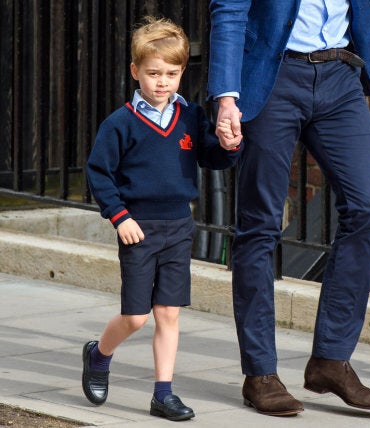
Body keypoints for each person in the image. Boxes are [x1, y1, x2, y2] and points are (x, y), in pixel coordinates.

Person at [208, 0, 370, 416]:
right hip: (272, 77)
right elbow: (230, 11)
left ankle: (331, 359)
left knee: (368, 208)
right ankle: (260, 374)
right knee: (260, 226)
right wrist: (226, 96)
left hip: (340, 78)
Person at [81, 16, 240, 421]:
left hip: (178, 227)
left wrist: (228, 145)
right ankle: (99, 355)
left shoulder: (191, 117)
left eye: (172, 73)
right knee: (136, 316)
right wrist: (119, 218)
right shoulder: (120, 124)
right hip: (138, 229)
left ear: (182, 73)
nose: (163, 81)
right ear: (135, 72)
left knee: (169, 313)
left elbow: (211, 158)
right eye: (153, 73)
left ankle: (163, 394)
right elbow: (99, 174)